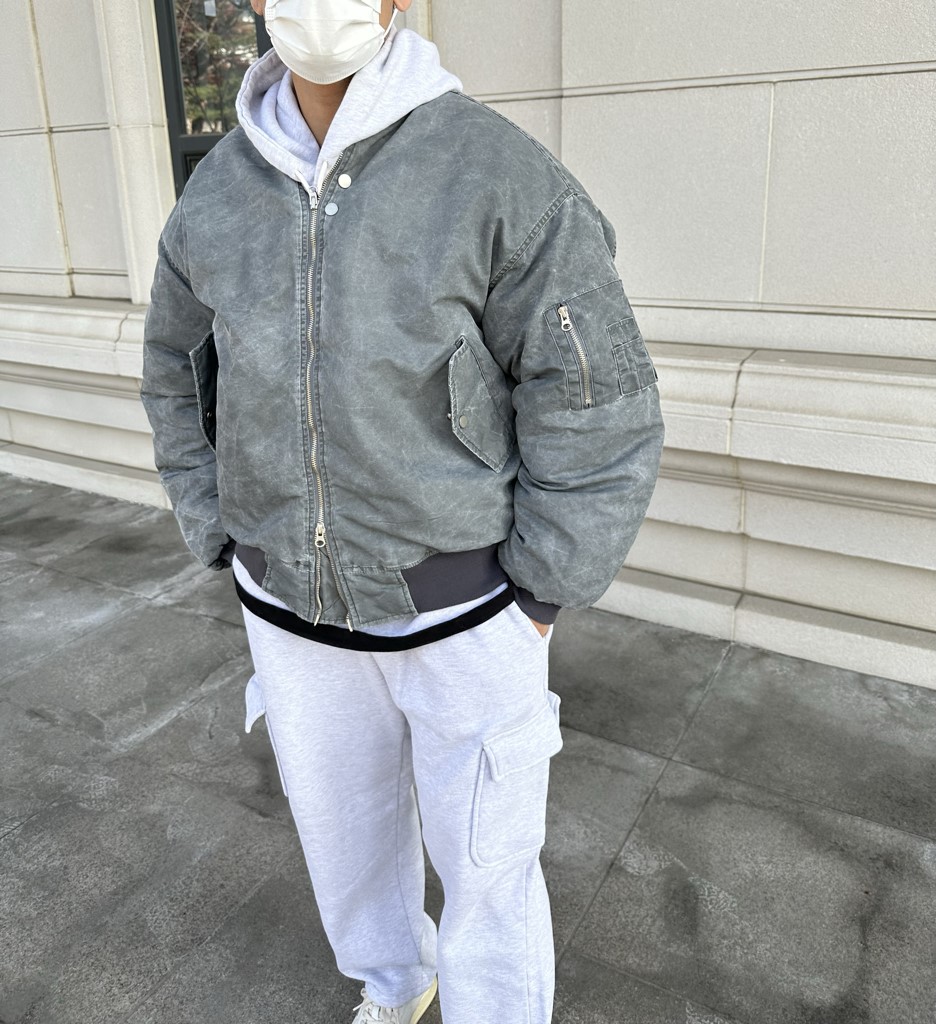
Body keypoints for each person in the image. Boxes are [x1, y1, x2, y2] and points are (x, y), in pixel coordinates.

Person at [140, 0, 665, 1020]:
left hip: (467, 612)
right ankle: (396, 984)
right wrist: (219, 526)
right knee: (345, 848)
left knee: (490, 869)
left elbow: (594, 392)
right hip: (290, 611)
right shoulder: (220, 191)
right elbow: (176, 365)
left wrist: (541, 592)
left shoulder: (493, 172)